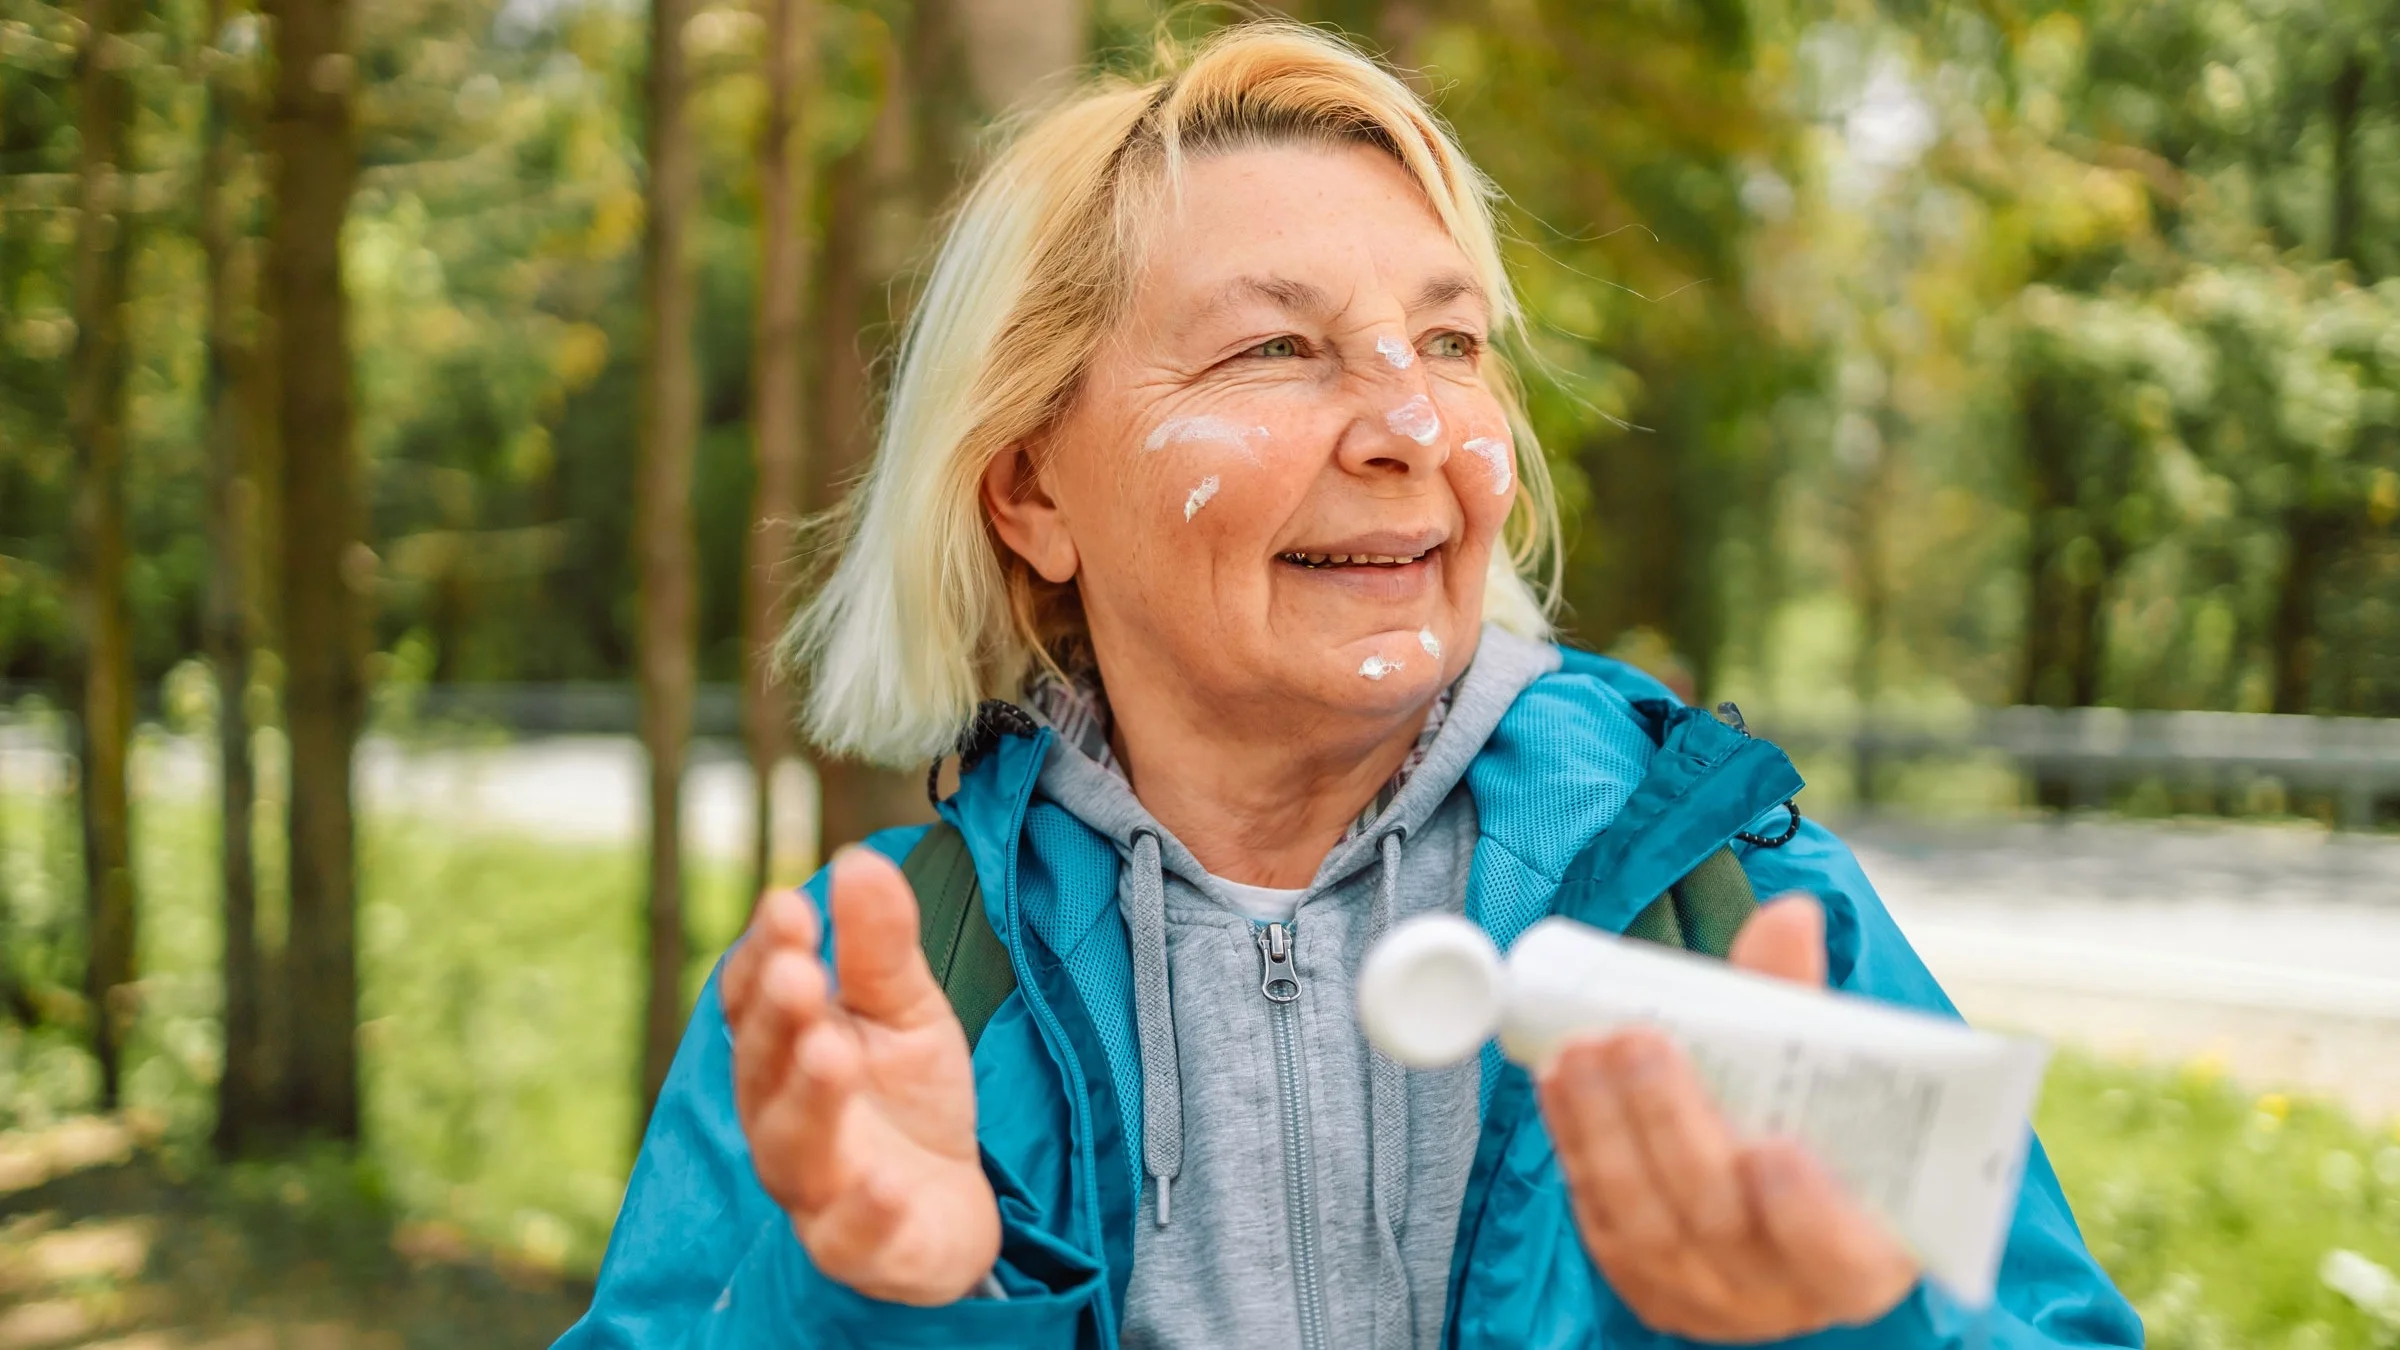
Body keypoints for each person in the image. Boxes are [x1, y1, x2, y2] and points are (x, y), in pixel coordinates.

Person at [557, 21, 2140, 1349]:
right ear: (1032, 487)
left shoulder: (1731, 904)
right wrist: (873, 1306)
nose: (1414, 427)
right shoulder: (868, 996)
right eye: (1275, 351)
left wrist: (1851, 1326)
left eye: (1450, 345)